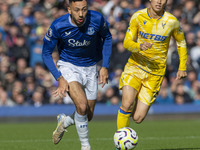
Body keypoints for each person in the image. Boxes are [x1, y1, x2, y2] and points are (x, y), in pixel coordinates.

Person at [42, 0, 112, 149]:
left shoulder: (97, 19)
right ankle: (85, 146)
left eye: (84, 9)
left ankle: (65, 121)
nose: (81, 14)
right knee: (81, 106)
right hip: (69, 66)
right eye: (77, 10)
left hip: (91, 67)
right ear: (69, 10)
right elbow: (46, 53)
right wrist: (59, 77)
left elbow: (107, 37)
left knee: (88, 115)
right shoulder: (58, 25)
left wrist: (105, 66)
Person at [116, 0, 187, 131]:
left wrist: (182, 67)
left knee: (138, 118)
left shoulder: (172, 21)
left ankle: (132, 104)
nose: (159, 2)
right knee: (126, 104)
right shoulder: (138, 16)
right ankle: (120, 140)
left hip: (155, 73)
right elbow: (126, 42)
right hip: (135, 66)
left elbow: (181, 42)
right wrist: (139, 46)